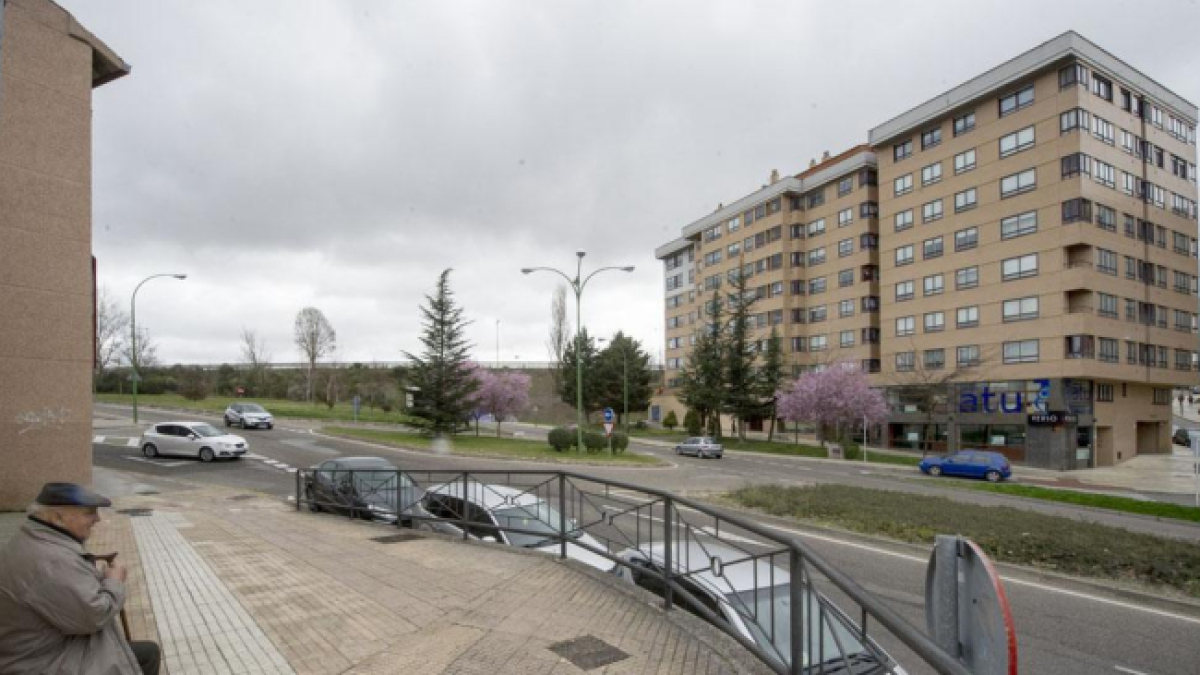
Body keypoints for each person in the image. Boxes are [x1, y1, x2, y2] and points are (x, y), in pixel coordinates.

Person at [0, 483, 160, 674]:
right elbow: (95, 615)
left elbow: (64, 588)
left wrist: (95, 575)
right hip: (46, 662)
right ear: (57, 516)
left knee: (146, 653)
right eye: (89, 513)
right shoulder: (52, 561)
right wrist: (114, 581)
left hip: (44, 648)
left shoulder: (33, 538)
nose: (97, 519)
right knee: (142, 656)